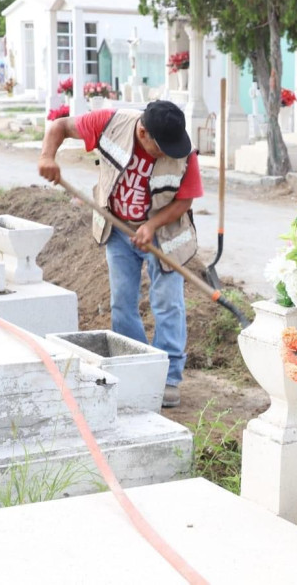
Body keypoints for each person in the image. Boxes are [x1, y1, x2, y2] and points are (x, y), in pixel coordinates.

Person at [38, 101, 203, 409]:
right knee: (122, 302)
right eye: (161, 147)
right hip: (117, 228)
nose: (168, 152)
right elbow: (59, 126)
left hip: (164, 235)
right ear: (143, 132)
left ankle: (168, 378)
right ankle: (136, 367)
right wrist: (48, 156)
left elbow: (185, 201)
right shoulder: (110, 123)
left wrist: (151, 225)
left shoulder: (181, 150)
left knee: (167, 302)